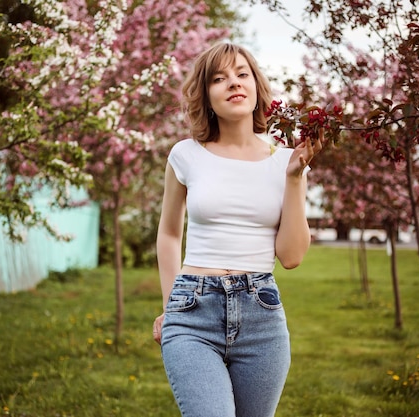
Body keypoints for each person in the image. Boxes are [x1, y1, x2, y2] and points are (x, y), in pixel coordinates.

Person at [152, 42, 324, 417]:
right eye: (220, 78)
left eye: (242, 74)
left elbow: (292, 257)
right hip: (192, 311)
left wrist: (294, 178)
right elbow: (168, 234)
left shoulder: (287, 160)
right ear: (206, 95)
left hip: (261, 316)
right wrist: (170, 306)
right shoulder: (185, 154)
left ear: (257, 88)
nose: (233, 83)